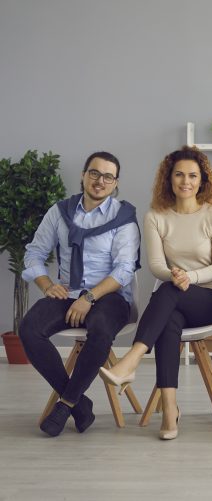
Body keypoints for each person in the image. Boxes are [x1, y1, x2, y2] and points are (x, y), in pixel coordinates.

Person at [99, 146, 212, 440]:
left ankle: (132, 357)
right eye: (179, 174)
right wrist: (175, 275)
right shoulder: (156, 216)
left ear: (203, 180)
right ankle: (170, 410)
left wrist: (190, 276)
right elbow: (157, 265)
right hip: (174, 295)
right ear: (168, 178)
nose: (186, 181)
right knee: (169, 319)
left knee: (168, 294)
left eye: (193, 176)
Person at [19, 151, 140, 437]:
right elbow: (34, 253)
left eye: (108, 176)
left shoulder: (123, 217)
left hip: (110, 296)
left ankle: (65, 405)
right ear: (83, 175)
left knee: (99, 328)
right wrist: (47, 285)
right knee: (29, 329)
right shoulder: (59, 211)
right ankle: (79, 403)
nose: (100, 181)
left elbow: (124, 270)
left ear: (115, 183)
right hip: (68, 292)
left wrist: (89, 298)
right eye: (94, 173)